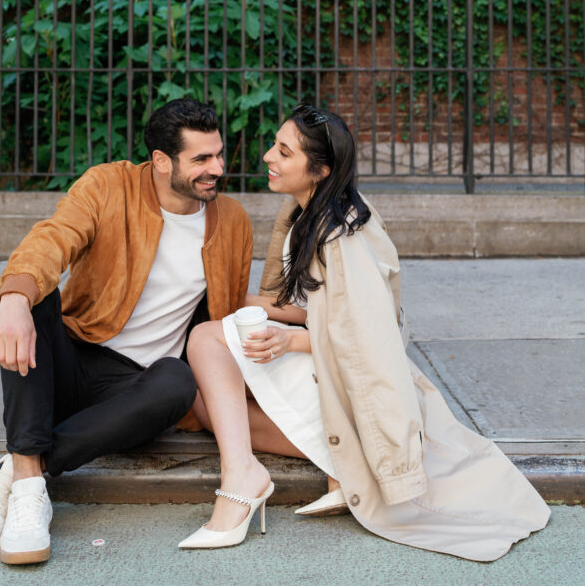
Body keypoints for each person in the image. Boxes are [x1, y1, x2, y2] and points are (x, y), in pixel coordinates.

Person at [180, 104, 550, 561]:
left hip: (351, 380)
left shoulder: (342, 234)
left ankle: (241, 480)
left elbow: (367, 335)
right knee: (203, 401)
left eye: (283, 151)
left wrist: (291, 340)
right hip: (327, 367)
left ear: (319, 170)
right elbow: (320, 306)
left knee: (205, 341)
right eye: (274, 146)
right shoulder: (306, 214)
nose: (267, 157)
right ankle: (342, 462)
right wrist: (246, 304)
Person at [0, 97, 253, 565]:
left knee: (178, 380)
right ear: (161, 161)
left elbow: (227, 310)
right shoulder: (108, 186)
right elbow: (52, 238)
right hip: (72, 358)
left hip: (132, 390)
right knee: (37, 295)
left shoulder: (232, 221)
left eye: (219, 154)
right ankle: (31, 497)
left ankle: (20, 471)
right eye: (201, 159)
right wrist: (14, 298)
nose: (216, 168)